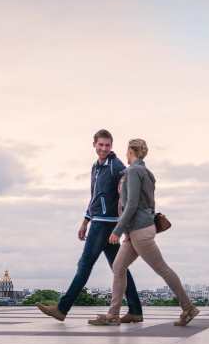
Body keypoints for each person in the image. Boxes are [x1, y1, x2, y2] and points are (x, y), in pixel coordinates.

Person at [88, 138, 199, 326]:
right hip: (140, 229)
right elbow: (150, 203)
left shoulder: (132, 172)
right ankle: (113, 314)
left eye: (127, 151)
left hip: (138, 231)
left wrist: (118, 230)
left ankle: (188, 307)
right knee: (118, 267)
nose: (125, 154)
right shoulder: (148, 173)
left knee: (161, 268)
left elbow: (131, 204)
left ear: (131, 152)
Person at [37, 129, 144, 323]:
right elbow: (94, 197)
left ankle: (62, 308)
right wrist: (85, 221)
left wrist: (125, 225)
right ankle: (136, 310)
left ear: (111, 146)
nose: (104, 148)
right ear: (94, 144)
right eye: (101, 145)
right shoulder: (96, 167)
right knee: (120, 269)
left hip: (105, 225)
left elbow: (128, 191)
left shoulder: (116, 165)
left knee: (84, 266)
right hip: (99, 223)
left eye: (107, 145)